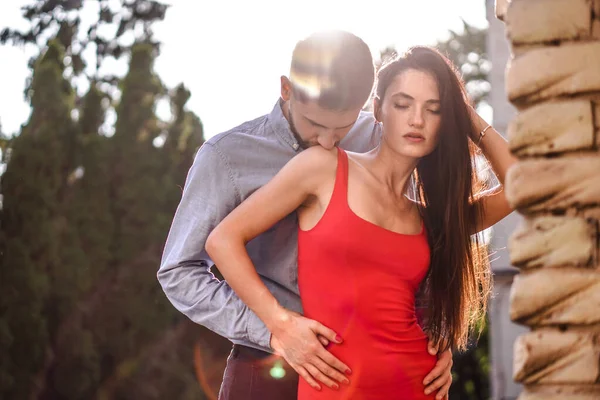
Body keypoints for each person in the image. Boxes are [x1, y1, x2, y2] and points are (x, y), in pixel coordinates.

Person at [204, 45, 517, 399]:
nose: (417, 120)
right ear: (378, 109)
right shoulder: (324, 167)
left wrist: (466, 116)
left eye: (434, 110)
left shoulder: (430, 218)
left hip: (417, 384)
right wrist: (281, 323)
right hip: (332, 388)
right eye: (403, 105)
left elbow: (521, 184)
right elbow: (222, 241)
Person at [158, 31, 453, 400]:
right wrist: (274, 329)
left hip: (365, 370)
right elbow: (179, 272)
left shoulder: (380, 137)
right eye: (316, 124)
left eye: (343, 127)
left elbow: (409, 242)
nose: (330, 142)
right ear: (286, 89)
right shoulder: (226, 156)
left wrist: (434, 336)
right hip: (265, 364)